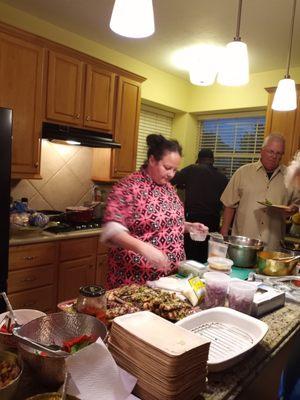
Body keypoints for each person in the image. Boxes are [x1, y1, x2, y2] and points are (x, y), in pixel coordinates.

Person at [101, 134, 208, 289]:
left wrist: (189, 227)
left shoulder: (168, 188)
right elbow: (111, 230)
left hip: (170, 278)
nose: (172, 174)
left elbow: (163, 222)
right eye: (167, 167)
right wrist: (144, 248)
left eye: (175, 170)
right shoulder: (129, 187)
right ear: (152, 160)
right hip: (135, 280)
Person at [220, 133, 299, 250]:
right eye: (270, 151)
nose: (274, 156)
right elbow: (229, 204)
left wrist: (294, 208)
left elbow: (297, 203)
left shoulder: (291, 176)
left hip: (273, 246)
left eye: (278, 153)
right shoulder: (243, 172)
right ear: (261, 151)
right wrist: (224, 233)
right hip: (243, 244)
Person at [172, 149, 228, 262]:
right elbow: (227, 202)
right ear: (213, 160)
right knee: (206, 256)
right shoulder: (223, 177)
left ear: (198, 159)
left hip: (193, 220)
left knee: (191, 256)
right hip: (213, 221)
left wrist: (184, 184)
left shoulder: (192, 169)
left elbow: (172, 179)